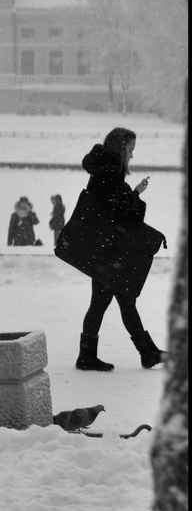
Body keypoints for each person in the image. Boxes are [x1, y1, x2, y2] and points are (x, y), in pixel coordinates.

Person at [71, 127, 167, 371]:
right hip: (106, 250)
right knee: (114, 301)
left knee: (118, 300)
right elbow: (122, 213)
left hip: (104, 248)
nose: (132, 156)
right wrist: (135, 197)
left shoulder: (105, 170)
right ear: (120, 148)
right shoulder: (109, 172)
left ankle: (146, 353)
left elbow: (113, 206)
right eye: (130, 150)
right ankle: (143, 353)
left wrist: (132, 193)